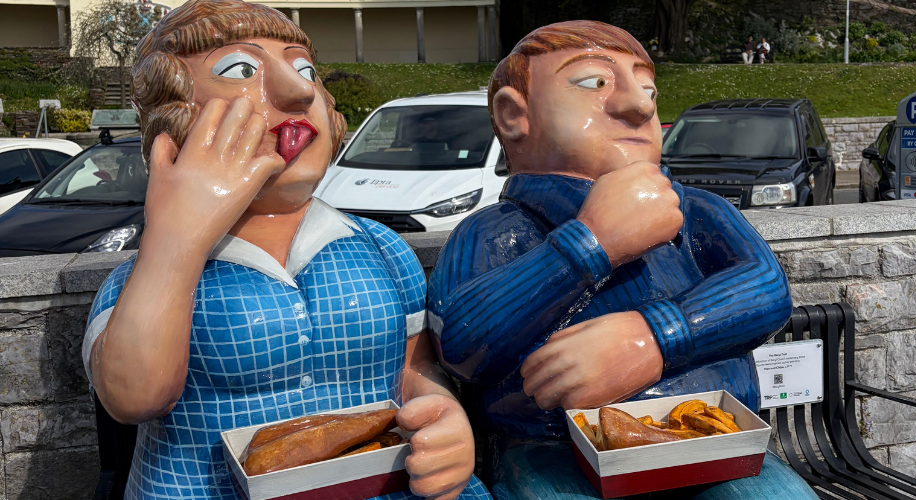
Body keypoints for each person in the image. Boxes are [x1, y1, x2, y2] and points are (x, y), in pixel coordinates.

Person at [82, 1, 491, 499]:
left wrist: (441, 415)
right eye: (241, 70)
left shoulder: (382, 249)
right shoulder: (145, 279)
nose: (299, 92)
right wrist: (177, 237)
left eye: (306, 70)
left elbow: (412, 369)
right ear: (175, 120)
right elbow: (134, 397)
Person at [427, 20, 819, 500]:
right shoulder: (495, 230)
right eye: (594, 82)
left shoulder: (697, 210)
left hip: (714, 450)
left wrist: (655, 336)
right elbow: (463, 343)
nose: (639, 104)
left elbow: (765, 289)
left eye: (648, 88)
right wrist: (591, 243)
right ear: (513, 115)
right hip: (553, 452)